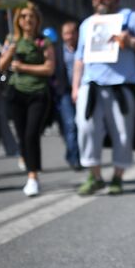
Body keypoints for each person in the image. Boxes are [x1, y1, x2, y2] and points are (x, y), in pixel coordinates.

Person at [72, 0, 135, 195]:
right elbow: (79, 58)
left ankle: (117, 177)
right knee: (86, 130)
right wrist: (75, 87)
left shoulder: (129, 18)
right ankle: (95, 176)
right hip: (91, 85)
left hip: (122, 85)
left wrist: (131, 42)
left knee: (122, 134)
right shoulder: (86, 24)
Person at [0, 1, 55, 196]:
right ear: (18, 20)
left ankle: (33, 177)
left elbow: (49, 68)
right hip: (16, 93)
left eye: (31, 16)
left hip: (38, 93)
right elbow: (1, 66)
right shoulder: (11, 39)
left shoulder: (43, 41)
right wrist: (11, 51)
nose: (27, 19)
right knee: (22, 135)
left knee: (31, 134)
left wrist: (24, 68)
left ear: (37, 19)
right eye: (23, 16)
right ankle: (28, 160)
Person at [53, 21, 81, 170]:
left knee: (82, 125)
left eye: (71, 33)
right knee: (70, 125)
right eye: (66, 33)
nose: (69, 36)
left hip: (82, 91)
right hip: (64, 92)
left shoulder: (83, 49)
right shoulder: (57, 50)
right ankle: (74, 158)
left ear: (77, 34)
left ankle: (75, 154)